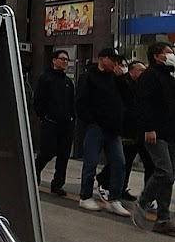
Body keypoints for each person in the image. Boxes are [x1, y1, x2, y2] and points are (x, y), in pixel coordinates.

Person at [76, 47, 130, 216]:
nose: (115, 63)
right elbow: (81, 102)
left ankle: (114, 199)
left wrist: (122, 79)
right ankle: (85, 196)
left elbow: (128, 98)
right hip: (96, 127)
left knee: (119, 163)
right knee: (91, 162)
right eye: (112, 59)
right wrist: (91, 120)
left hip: (114, 129)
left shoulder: (116, 78)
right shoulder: (88, 77)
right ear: (102, 59)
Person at [132, 42, 175, 235]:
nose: (172, 55)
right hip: (155, 133)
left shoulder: (169, 76)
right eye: (168, 52)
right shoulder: (149, 76)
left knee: (169, 177)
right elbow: (143, 104)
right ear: (157, 56)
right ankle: (143, 201)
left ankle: (163, 219)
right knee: (164, 172)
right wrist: (149, 128)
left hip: (169, 132)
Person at [97, 59, 152, 201]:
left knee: (137, 162)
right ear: (133, 71)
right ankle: (105, 181)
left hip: (139, 130)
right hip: (126, 130)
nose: (143, 73)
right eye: (141, 70)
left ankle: (123, 188)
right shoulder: (123, 83)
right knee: (123, 160)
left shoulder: (142, 85)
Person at [34, 50, 75, 196]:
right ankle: (35, 170)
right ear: (54, 60)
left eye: (67, 60)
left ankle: (57, 184)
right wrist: (43, 116)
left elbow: (71, 102)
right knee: (47, 152)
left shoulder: (68, 82)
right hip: (50, 122)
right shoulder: (46, 78)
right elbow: (38, 100)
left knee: (64, 156)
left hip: (66, 124)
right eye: (62, 59)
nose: (64, 62)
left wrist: (72, 118)